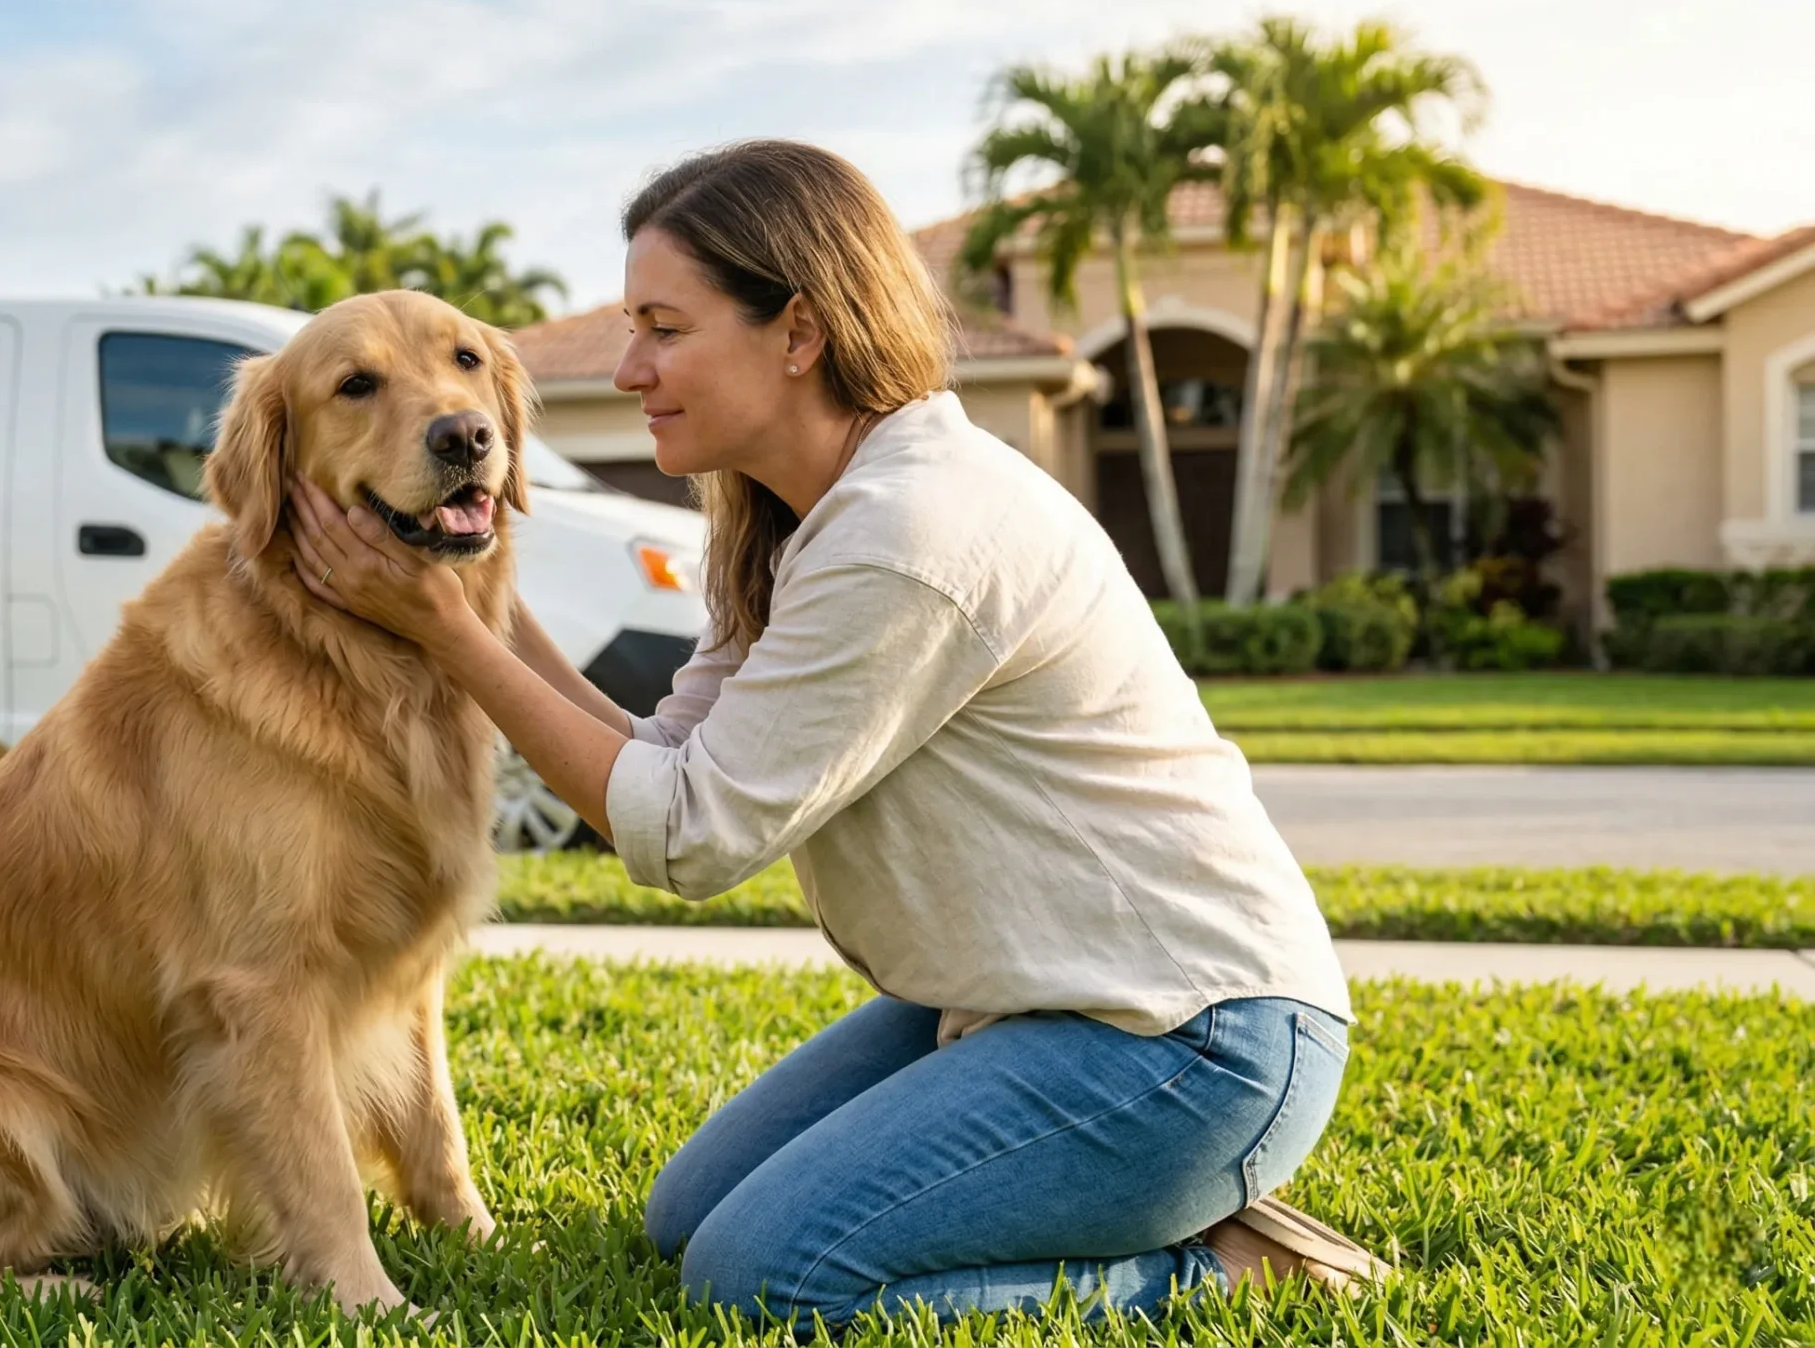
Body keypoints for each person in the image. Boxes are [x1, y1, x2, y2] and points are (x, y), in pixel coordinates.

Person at [283, 138, 1384, 1325]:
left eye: (662, 326)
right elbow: (658, 764)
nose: (628, 366)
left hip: (1187, 1039)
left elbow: (685, 838)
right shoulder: (793, 519)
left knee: (767, 1272)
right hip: (1024, 998)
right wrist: (471, 593)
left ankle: (1218, 1265)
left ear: (797, 333)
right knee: (683, 1217)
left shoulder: (906, 533)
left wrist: (448, 635)